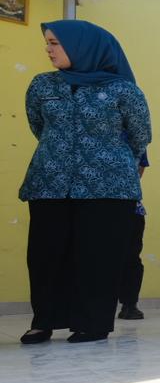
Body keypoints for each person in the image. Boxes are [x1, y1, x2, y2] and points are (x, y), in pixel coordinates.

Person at [18, 20, 151, 344]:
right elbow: (38, 126)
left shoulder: (123, 90)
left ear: (82, 47)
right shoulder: (42, 85)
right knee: (45, 255)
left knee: (98, 256)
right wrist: (62, 152)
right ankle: (44, 320)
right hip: (50, 181)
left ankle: (93, 323)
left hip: (108, 186)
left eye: (55, 43)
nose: (48, 49)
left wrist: (104, 158)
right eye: (47, 43)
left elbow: (139, 137)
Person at [117, 148, 149, 321]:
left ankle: (130, 304)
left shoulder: (136, 141)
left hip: (132, 208)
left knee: (131, 258)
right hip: (96, 207)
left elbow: (140, 168)